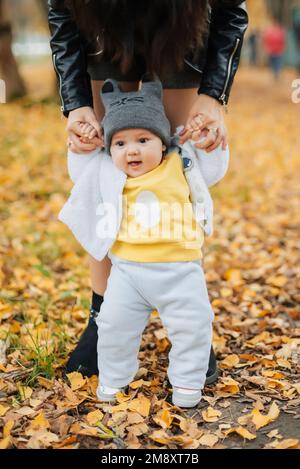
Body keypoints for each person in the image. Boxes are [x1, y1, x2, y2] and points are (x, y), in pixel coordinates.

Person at [48, 0, 248, 381]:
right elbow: (62, 16)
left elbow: (231, 13)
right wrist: (75, 106)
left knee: (178, 160)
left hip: (181, 23)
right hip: (102, 23)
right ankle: (102, 314)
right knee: (104, 161)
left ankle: (187, 314)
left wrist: (213, 95)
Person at [58, 77, 230, 407]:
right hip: (126, 273)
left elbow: (215, 166)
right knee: (113, 328)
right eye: (120, 144)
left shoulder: (181, 163)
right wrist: (81, 145)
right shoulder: (108, 171)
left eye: (142, 139)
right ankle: (112, 381)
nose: (131, 149)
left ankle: (188, 385)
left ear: (162, 142)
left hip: (180, 272)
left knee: (193, 327)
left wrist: (209, 138)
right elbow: (80, 171)